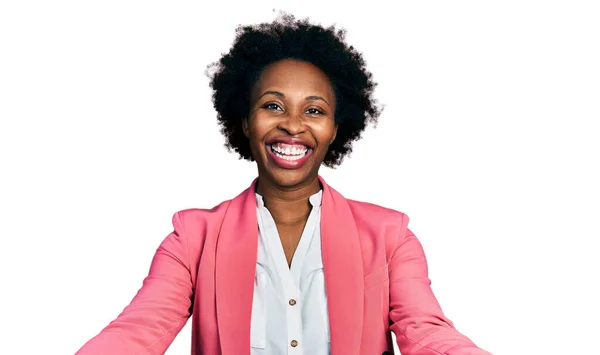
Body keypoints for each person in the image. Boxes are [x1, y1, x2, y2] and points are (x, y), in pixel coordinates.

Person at [77, 13, 491, 355]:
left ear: (334, 129)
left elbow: (427, 332)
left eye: (314, 110)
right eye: (272, 105)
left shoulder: (389, 236)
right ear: (244, 120)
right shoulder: (192, 238)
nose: (292, 125)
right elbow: (138, 331)